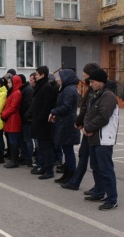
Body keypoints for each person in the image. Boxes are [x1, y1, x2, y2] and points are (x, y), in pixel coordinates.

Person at [61, 62, 101, 193]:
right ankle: (75, 182)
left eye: (85, 73)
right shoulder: (91, 88)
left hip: (95, 131)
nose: (83, 75)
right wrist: (80, 122)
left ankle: (99, 187)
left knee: (96, 162)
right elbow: (85, 109)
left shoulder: (98, 90)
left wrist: (81, 122)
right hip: (87, 128)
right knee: (83, 155)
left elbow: (91, 111)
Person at [82, 69, 119, 210]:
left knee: (106, 169)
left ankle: (111, 199)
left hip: (104, 138)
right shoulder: (95, 95)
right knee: (96, 167)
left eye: (92, 81)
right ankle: (99, 192)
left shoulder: (108, 96)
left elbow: (103, 116)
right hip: (94, 136)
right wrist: (86, 127)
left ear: (101, 81)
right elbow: (88, 113)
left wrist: (89, 128)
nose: (90, 84)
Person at [48, 69, 80, 184]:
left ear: (66, 78)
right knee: (67, 150)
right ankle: (67, 174)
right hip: (64, 122)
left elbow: (66, 107)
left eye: (61, 77)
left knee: (68, 150)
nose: (59, 79)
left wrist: (54, 111)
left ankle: (70, 174)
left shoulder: (69, 89)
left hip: (68, 123)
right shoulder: (67, 88)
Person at [30, 66, 56, 179]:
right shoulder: (40, 87)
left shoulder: (46, 88)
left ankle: (49, 170)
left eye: (37, 74)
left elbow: (46, 107)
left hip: (44, 124)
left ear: (42, 75)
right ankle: (44, 167)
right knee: (41, 147)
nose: (35, 76)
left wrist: (39, 118)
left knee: (46, 147)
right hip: (38, 122)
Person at [1, 75, 22, 168]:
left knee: (13, 141)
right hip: (10, 118)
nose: (8, 84)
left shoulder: (16, 93)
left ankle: (15, 160)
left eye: (10, 83)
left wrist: (4, 114)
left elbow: (13, 107)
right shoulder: (12, 92)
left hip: (13, 119)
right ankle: (13, 159)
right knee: (11, 140)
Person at [18, 74, 33, 167]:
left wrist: (26, 116)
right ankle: (24, 156)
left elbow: (28, 105)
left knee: (27, 139)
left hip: (26, 119)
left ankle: (28, 158)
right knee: (23, 139)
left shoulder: (28, 90)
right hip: (22, 118)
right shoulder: (23, 89)